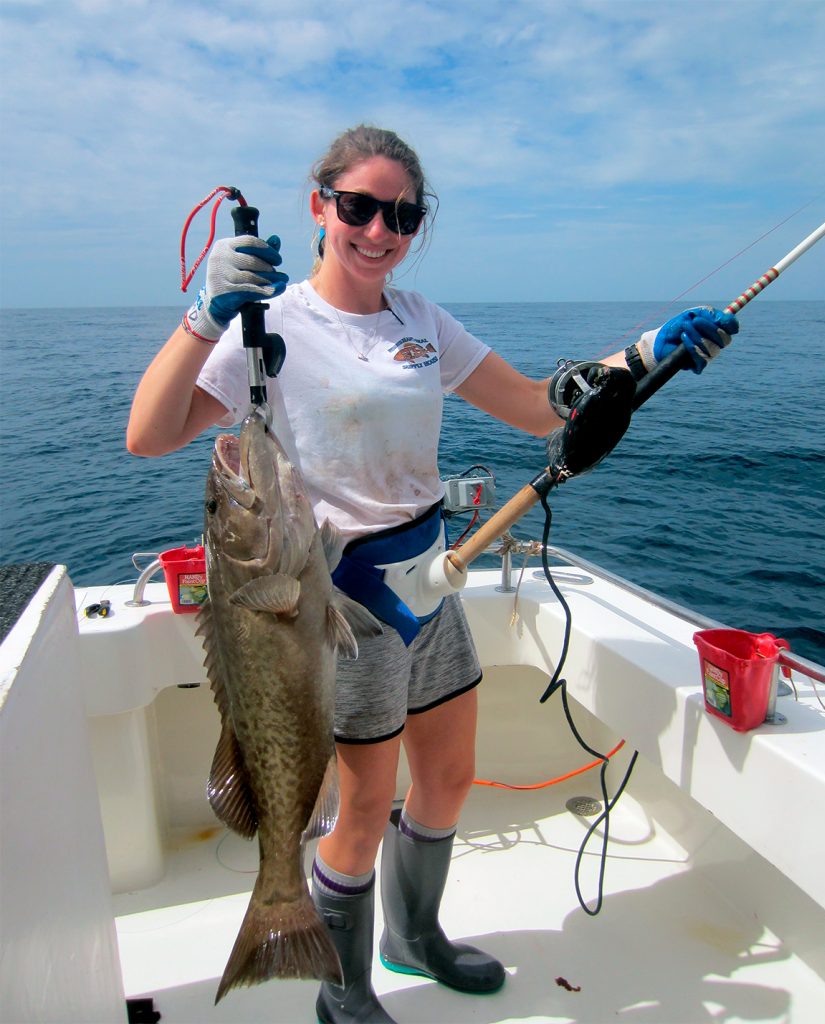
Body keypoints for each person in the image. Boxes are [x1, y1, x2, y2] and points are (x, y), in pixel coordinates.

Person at [127, 124, 738, 1023]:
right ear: (320, 207)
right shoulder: (276, 326)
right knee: (365, 807)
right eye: (360, 207)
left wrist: (646, 350)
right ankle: (342, 988)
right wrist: (201, 317)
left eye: (403, 214)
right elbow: (149, 433)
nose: (380, 230)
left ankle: (413, 938)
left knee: (449, 779)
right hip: (342, 604)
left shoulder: (421, 320)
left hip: (432, 580)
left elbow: (535, 408)